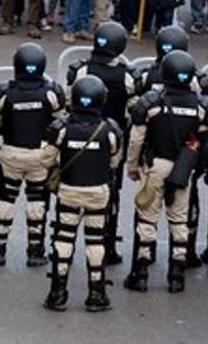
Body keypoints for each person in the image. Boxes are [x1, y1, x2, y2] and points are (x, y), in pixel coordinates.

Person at [124, 50, 208, 294]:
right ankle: (177, 275)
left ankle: (140, 273)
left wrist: (132, 166)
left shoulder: (152, 103)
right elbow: (206, 142)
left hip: (155, 166)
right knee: (179, 220)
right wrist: (196, 168)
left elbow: (136, 139)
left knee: (147, 219)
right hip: (183, 168)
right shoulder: (200, 107)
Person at [43, 75, 123, 312]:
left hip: (69, 189)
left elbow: (47, 158)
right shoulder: (110, 130)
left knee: (64, 238)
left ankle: (57, 293)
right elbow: (114, 161)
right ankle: (96, 293)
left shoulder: (62, 128)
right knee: (96, 240)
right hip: (97, 191)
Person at [0, 43, 65, 266]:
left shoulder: (5, 93)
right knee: (38, 203)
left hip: (10, 152)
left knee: (5, 201)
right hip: (40, 155)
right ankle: (35, 251)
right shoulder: (52, 93)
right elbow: (59, 122)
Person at [65, 22, 138, 264]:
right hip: (111, 141)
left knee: (71, 193)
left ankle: (65, 245)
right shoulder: (126, 76)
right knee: (111, 194)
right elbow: (135, 111)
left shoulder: (81, 71)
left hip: (78, 137)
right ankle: (106, 244)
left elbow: (67, 103)